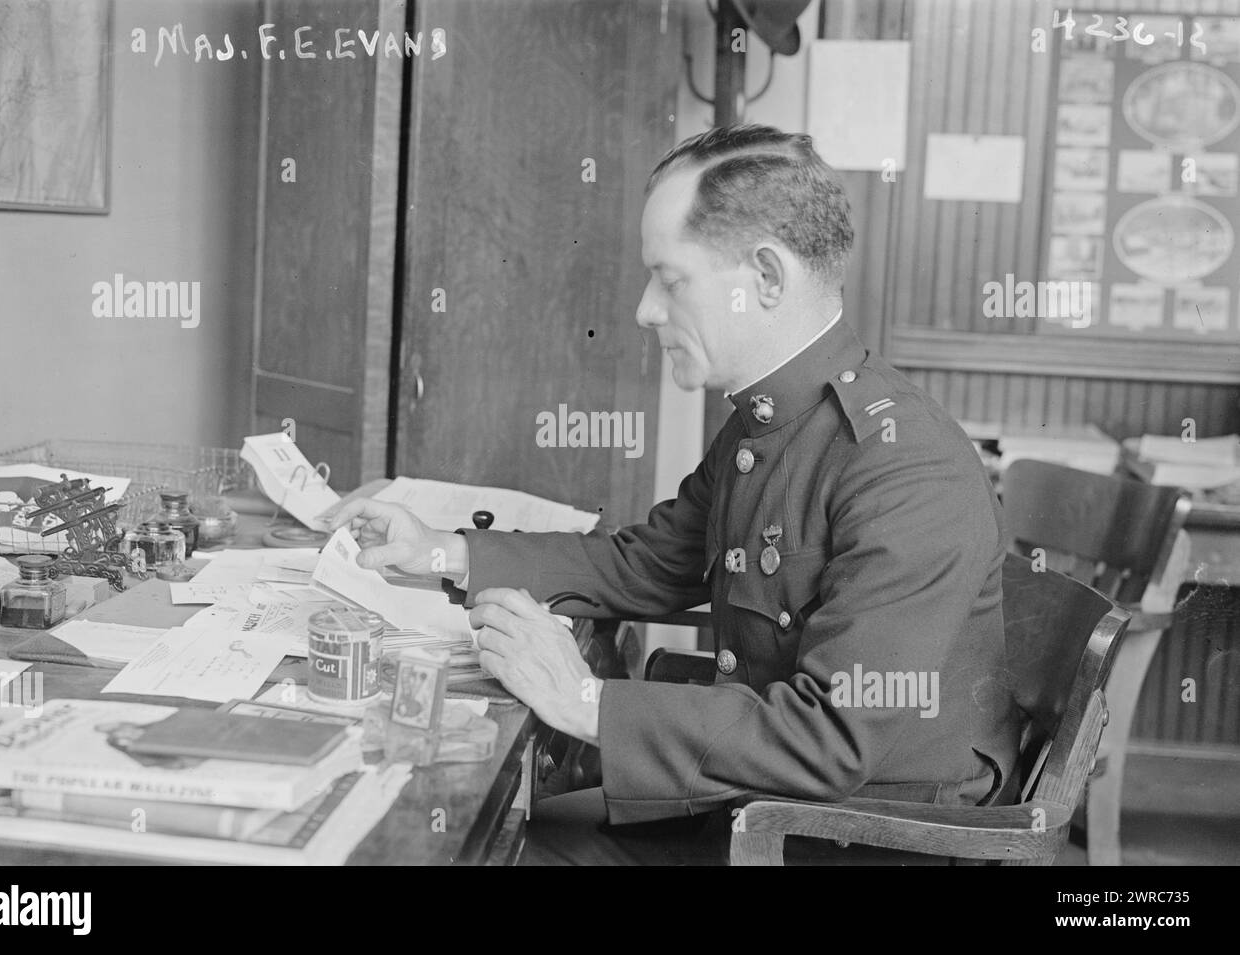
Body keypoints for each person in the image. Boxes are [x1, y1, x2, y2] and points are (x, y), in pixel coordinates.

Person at [323, 124, 1020, 865]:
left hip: (853, 836)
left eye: (671, 278)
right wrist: (438, 548)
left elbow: (835, 735)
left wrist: (583, 700)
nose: (646, 310)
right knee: (499, 832)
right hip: (767, 798)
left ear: (768, 279)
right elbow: (651, 562)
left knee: (480, 844)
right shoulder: (773, 420)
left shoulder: (905, 468)